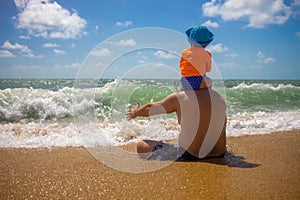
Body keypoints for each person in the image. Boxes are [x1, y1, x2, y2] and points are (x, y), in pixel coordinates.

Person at [126, 77, 227, 161]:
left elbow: (149, 108)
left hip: (191, 156)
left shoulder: (180, 98)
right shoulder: (219, 97)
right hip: (220, 154)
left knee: (141, 145)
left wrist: (135, 113)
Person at [180, 25, 214, 90]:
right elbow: (208, 70)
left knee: (183, 86)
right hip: (199, 81)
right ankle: (208, 96)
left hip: (185, 80)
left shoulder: (184, 52)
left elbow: (182, 66)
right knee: (210, 81)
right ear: (207, 43)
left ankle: (181, 92)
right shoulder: (207, 54)